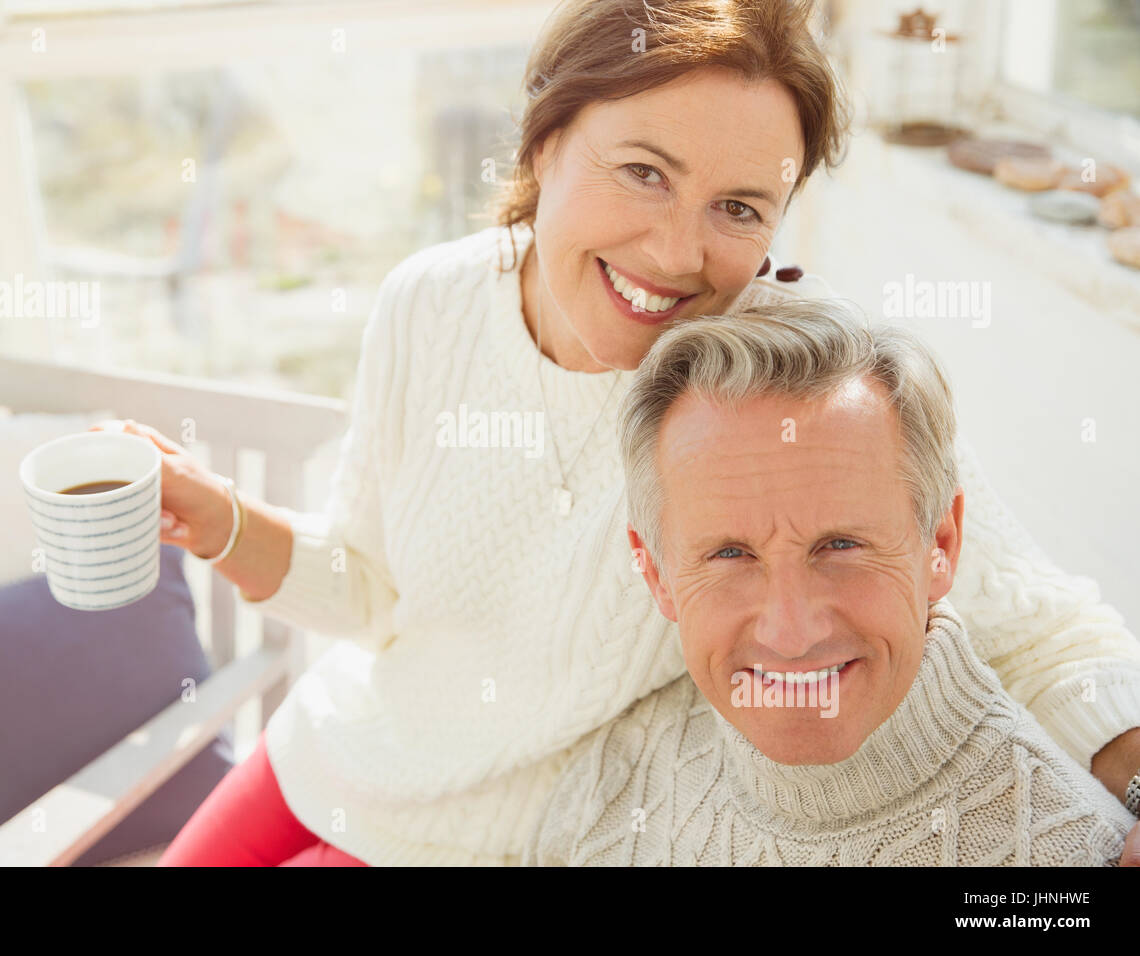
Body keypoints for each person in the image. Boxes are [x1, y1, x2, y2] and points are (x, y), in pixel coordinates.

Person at [130, 0, 1140, 866]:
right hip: (335, 742)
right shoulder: (429, 301)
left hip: (502, 841)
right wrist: (212, 516)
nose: (675, 252)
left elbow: (1041, 627)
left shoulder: (785, 379)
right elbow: (365, 583)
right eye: (644, 172)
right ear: (545, 140)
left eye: (737, 207)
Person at [526, 301, 1136, 865]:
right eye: (730, 554)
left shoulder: (1067, 865)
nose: (791, 632)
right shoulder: (611, 788)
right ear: (655, 574)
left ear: (941, 546)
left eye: (841, 546)